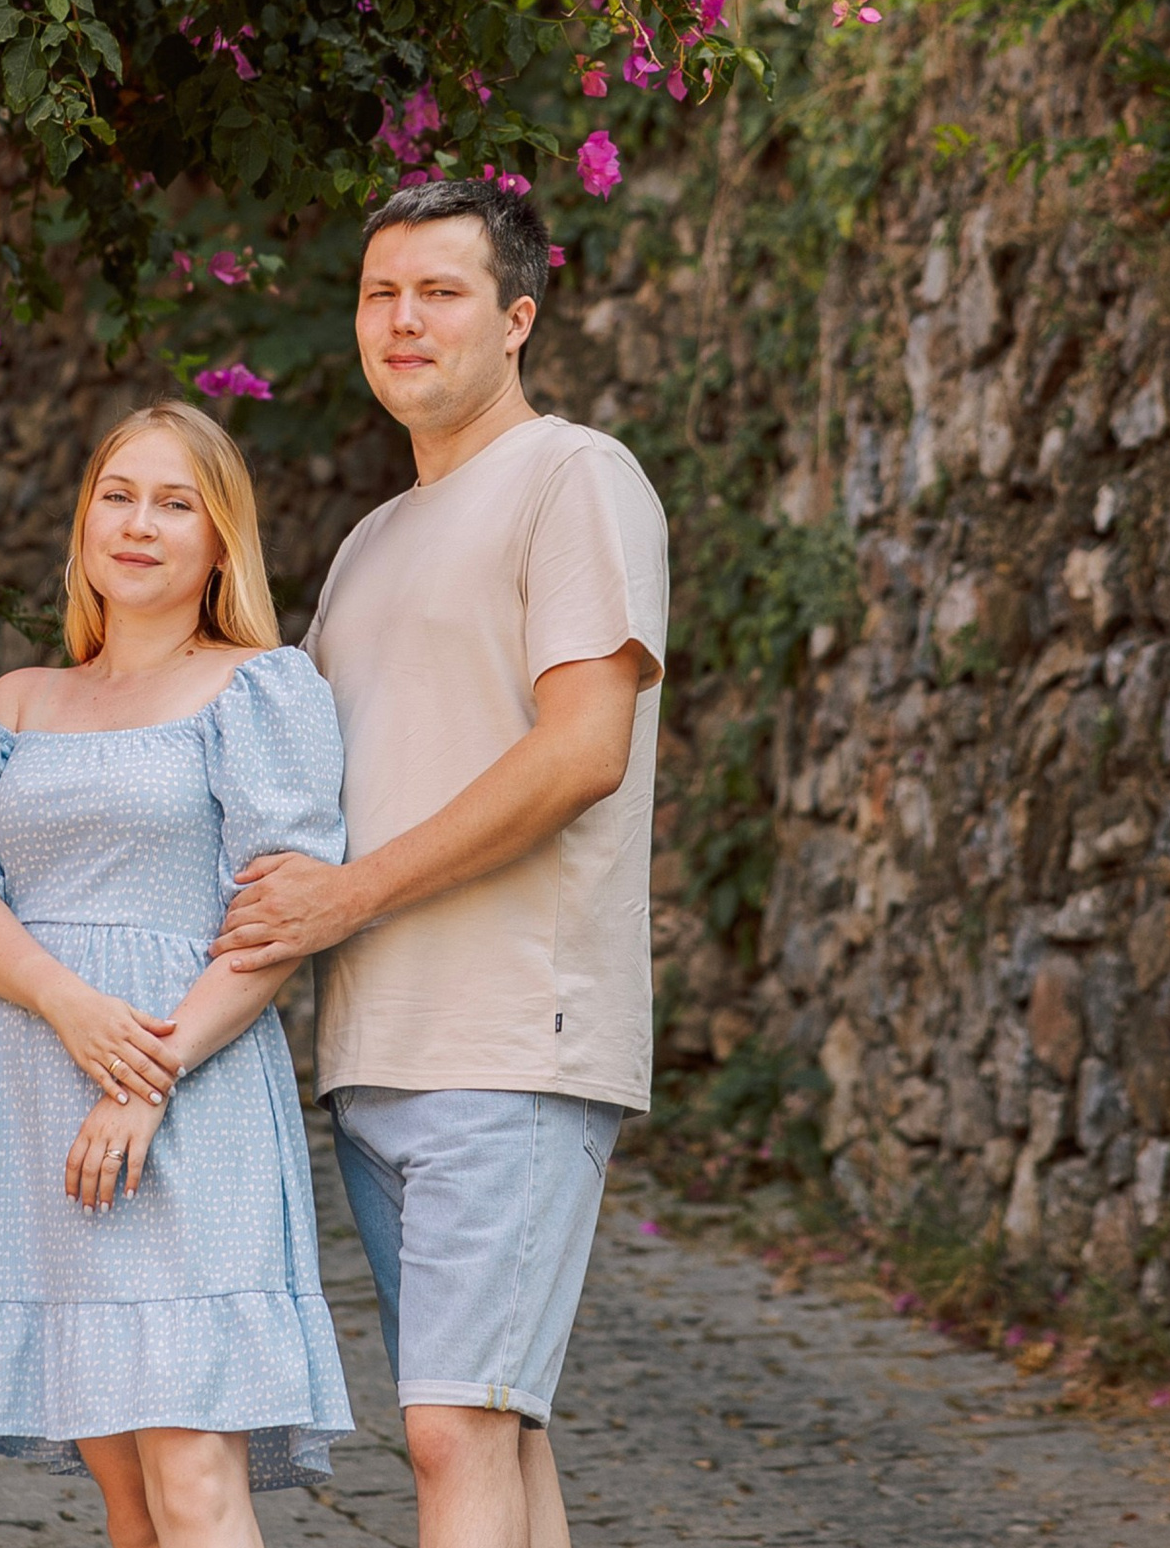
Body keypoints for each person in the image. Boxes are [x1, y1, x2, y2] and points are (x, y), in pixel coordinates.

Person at [214, 178, 669, 1548]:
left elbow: (582, 750)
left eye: (440, 292)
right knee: (495, 1430)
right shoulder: (369, 543)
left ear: (516, 318)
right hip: (376, 1052)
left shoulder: (575, 478)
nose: (402, 320)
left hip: (514, 1037)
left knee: (454, 1428)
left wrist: (348, 897)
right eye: (380, 293)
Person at [0, 399, 353, 1548]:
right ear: (84, 521)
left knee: (194, 1479)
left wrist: (144, 1076)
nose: (139, 524)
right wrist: (66, 1003)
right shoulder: (18, 702)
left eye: (174, 504)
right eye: (117, 496)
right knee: (127, 1498)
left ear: (219, 542)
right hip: (39, 1088)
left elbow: (276, 920)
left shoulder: (262, 688)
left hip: (190, 1093)